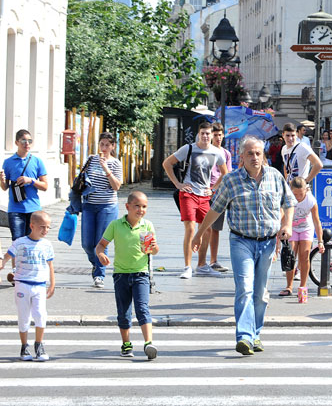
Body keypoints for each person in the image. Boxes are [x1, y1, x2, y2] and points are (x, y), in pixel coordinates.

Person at [190, 136, 296, 356]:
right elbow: (215, 209)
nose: (255, 157)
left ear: (263, 155)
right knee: (245, 289)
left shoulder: (275, 176)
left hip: (268, 242)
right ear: (242, 156)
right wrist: (199, 234)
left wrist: (287, 224)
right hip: (241, 241)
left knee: (260, 293)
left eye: (258, 153)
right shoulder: (231, 180)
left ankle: (255, 334)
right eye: (250, 153)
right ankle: (245, 337)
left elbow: (289, 203)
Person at [95, 191, 159, 360]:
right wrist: (100, 254)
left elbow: (153, 251)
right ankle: (126, 343)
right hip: (121, 275)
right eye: (137, 206)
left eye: (144, 206)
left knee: (142, 308)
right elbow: (101, 245)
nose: (141, 210)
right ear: (127, 206)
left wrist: (153, 247)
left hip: (141, 274)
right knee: (123, 311)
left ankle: (148, 343)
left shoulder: (147, 226)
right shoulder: (115, 225)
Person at [162, 121, 228, 279]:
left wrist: (213, 188)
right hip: (188, 193)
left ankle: (202, 265)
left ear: (212, 135)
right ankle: (187, 266)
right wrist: (178, 184)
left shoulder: (216, 152)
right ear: (198, 134)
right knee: (190, 228)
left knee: (207, 230)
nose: (205, 136)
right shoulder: (189, 149)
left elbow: (225, 173)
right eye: (202, 133)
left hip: (205, 196)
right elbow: (167, 163)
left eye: (208, 133)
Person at [1, 211, 54, 361]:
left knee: (40, 314)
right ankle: (24, 347)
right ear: (32, 226)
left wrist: (52, 284)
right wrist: (2, 262)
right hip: (22, 284)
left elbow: (50, 265)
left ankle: (39, 345)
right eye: (42, 227)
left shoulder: (47, 245)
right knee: (24, 316)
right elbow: (7, 256)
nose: (45, 230)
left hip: (39, 285)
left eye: (48, 227)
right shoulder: (20, 242)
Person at [80, 132, 123, 289]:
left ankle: (99, 275)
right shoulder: (91, 160)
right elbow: (82, 178)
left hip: (107, 206)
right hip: (89, 205)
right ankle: (96, 263)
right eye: (101, 144)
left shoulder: (116, 163)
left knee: (101, 242)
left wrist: (106, 169)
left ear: (112, 146)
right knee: (86, 243)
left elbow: (117, 186)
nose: (104, 148)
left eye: (107, 145)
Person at [0, 130, 49, 242]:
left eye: (29, 141)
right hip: (15, 209)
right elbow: (4, 187)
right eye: (23, 141)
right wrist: (1, 180)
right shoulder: (8, 162)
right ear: (16, 142)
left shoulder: (37, 161)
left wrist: (31, 181)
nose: (27, 143)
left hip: (34, 209)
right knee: (17, 242)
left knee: (32, 242)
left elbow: (45, 186)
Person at [282, 177, 324, 303]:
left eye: (301, 194)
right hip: (292, 228)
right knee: (290, 256)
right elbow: (282, 217)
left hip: (306, 228)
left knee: (305, 255)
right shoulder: (287, 198)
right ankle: (289, 286)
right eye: (295, 194)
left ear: (306, 190)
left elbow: (316, 221)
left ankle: (303, 286)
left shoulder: (310, 200)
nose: (298, 197)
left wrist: (320, 241)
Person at [204, 123, 232, 273]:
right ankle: (201, 260)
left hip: (219, 193)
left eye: (220, 135)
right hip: (204, 191)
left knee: (215, 228)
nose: (218, 138)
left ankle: (213, 260)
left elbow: (227, 173)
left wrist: (216, 188)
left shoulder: (226, 153)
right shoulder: (206, 151)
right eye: (215, 135)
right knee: (203, 227)